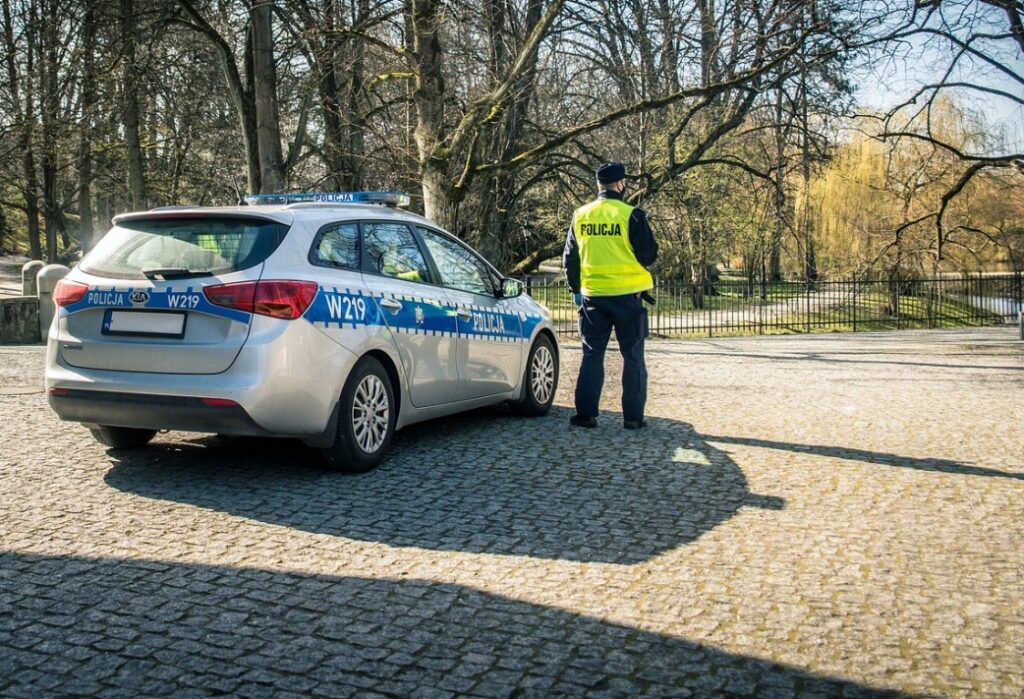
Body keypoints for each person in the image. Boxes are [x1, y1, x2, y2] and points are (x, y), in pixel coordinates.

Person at [562, 162, 658, 429]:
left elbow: (570, 258)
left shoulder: (581, 215)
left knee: (592, 353)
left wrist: (576, 290)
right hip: (628, 296)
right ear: (620, 184)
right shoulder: (632, 215)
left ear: (598, 185)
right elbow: (648, 255)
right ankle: (633, 418)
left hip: (593, 296)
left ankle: (585, 414)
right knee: (633, 356)